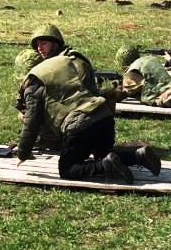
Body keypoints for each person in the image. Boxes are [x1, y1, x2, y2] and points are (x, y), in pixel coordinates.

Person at [16, 55, 161, 184]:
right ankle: (137, 156)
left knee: (68, 169)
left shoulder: (33, 88)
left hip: (81, 125)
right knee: (103, 154)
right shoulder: (60, 68)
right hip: (103, 116)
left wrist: (23, 153)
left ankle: (105, 166)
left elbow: (31, 124)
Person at [14, 24, 98, 150]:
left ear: (55, 43)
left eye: (43, 43)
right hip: (80, 119)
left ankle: (55, 142)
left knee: (29, 112)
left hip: (80, 121)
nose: (39, 48)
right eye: (37, 44)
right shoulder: (58, 61)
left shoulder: (70, 63)